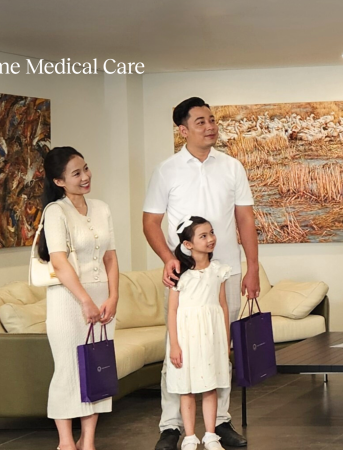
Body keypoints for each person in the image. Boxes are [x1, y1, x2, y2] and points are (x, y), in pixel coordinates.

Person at [143, 97, 259, 450]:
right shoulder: (167, 170)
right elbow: (150, 222)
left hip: (225, 273)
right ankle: (171, 426)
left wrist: (253, 267)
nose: (210, 126)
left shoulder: (232, 166)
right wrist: (168, 259)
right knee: (177, 349)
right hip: (184, 275)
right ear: (183, 130)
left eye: (212, 119)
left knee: (220, 347)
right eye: (200, 122)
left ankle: (218, 422)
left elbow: (245, 219)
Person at [38, 146, 119, 450]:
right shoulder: (55, 212)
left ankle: (88, 442)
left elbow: (110, 257)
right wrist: (85, 301)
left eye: (85, 168)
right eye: (76, 173)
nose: (85, 176)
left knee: (95, 368)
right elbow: (59, 263)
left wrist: (113, 296)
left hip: (102, 300)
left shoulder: (102, 208)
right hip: (68, 300)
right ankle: (66, 443)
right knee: (68, 371)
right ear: (59, 181)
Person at [166, 216, 232, 450]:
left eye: (211, 233)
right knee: (187, 388)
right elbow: (172, 310)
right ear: (188, 244)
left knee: (210, 385)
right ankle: (190, 436)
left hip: (211, 336)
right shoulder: (179, 274)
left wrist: (226, 340)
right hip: (186, 337)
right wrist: (175, 344)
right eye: (203, 236)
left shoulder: (219, 270)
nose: (211, 238)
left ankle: (211, 435)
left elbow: (222, 305)